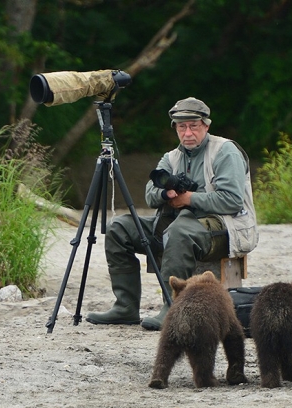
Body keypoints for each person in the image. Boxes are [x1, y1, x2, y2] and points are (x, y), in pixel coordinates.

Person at [86, 97, 259, 330]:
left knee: (179, 232)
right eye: (181, 127)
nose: (187, 133)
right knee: (120, 228)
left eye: (193, 126)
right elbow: (149, 193)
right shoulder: (172, 157)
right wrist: (167, 194)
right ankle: (125, 307)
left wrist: (189, 198)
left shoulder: (225, 151)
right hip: (180, 224)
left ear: (206, 126)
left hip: (226, 228)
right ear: (175, 128)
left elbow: (231, 200)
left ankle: (171, 307)